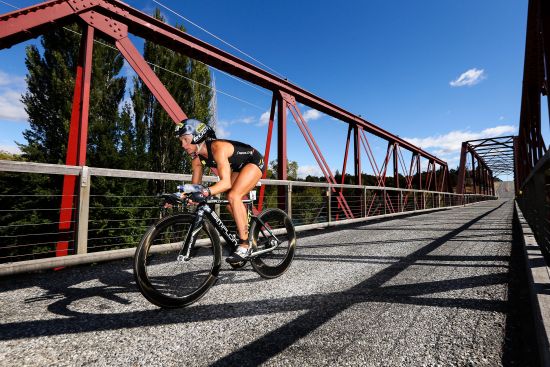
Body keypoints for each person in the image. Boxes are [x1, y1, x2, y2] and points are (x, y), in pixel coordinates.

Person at [175, 118, 264, 264]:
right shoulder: (196, 157)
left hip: (253, 161)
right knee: (230, 203)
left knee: (234, 196)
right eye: (181, 141)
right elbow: (195, 186)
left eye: (185, 139)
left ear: (197, 136)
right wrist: (183, 194)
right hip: (239, 167)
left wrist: (206, 192)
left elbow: (225, 182)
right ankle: (246, 223)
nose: (183, 145)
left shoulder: (217, 147)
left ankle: (244, 244)